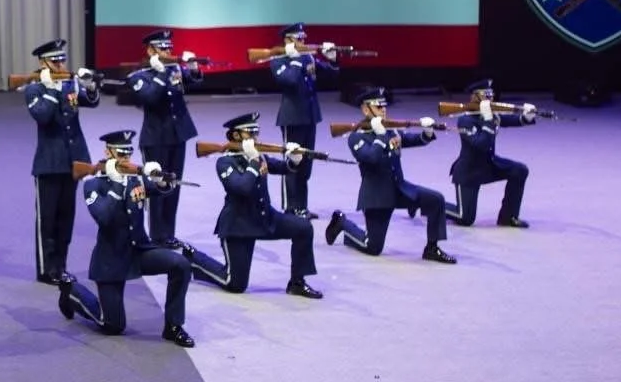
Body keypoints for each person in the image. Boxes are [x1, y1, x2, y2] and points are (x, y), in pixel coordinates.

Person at [57, 130, 196, 347]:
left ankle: (173, 326)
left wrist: (160, 179)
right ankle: (71, 292)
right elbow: (103, 217)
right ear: (108, 152)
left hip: (139, 252)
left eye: (128, 154)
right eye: (120, 154)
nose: (125, 159)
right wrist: (117, 185)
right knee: (112, 325)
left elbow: (160, 190)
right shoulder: (93, 184)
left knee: (181, 265)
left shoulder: (133, 179)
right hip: (111, 259)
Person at [180, 114, 323, 299]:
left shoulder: (258, 156)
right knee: (235, 284)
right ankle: (194, 260)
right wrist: (254, 162)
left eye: (257, 133)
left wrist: (294, 159)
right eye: (251, 133)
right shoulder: (225, 162)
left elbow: (284, 168)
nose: (256, 138)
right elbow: (242, 188)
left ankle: (297, 282)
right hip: (239, 226)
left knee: (303, 228)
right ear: (237, 136)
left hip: (265, 219)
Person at [325, 86, 457, 263]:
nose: (384, 110)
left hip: (399, 189)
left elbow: (413, 140)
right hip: (377, 197)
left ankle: (432, 248)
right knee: (372, 247)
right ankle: (343, 223)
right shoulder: (356, 137)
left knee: (436, 200)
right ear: (366, 109)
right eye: (378, 107)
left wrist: (427, 132)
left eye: (384, 106)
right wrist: (380, 136)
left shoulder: (390, 130)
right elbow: (371, 157)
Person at [22, 38, 100, 284]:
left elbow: (92, 101)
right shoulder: (34, 88)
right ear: (43, 62)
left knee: (66, 217)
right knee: (47, 220)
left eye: (62, 59)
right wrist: (53, 91)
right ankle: (46, 269)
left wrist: (89, 86)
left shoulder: (69, 84)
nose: (60, 64)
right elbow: (43, 116)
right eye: (54, 60)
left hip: (73, 160)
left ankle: (61, 266)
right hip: (49, 162)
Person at [125, 28, 202, 246]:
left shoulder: (174, 69)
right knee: (158, 186)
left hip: (178, 135)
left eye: (170, 47)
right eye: (162, 48)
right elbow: (149, 98)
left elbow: (193, 80)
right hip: (155, 138)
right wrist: (160, 74)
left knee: (174, 185)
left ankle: (169, 233)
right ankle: (157, 236)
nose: (168, 52)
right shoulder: (139, 76)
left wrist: (193, 68)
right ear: (150, 50)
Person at [270, 22, 340, 220]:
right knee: (293, 161)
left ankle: (302, 207)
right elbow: (289, 81)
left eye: (303, 38)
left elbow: (330, 74)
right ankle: (291, 207)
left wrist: (332, 60)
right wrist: (295, 60)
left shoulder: (306, 56)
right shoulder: (278, 59)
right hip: (292, 117)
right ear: (288, 40)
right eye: (298, 38)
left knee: (306, 163)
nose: (303, 41)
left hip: (310, 116)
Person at [449, 79, 536, 228]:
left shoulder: (491, 115)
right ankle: (429, 205)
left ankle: (508, 217)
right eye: (486, 95)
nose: (491, 99)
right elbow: (482, 144)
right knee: (465, 218)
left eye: (491, 95)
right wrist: (489, 120)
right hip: (469, 173)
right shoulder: (465, 120)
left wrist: (526, 117)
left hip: (489, 166)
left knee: (519, 170)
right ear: (475, 97)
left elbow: (510, 120)